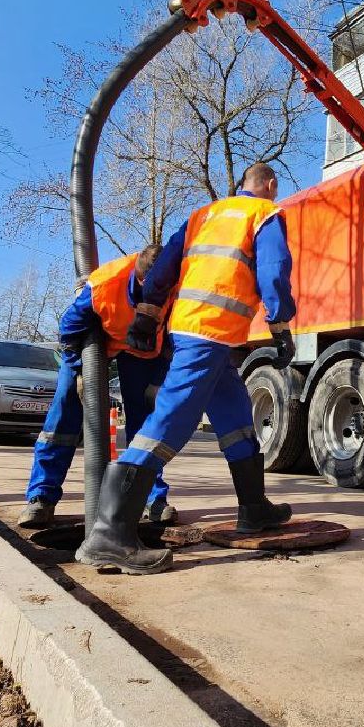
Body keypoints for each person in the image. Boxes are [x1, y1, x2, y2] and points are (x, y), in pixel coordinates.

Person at [75, 161, 298, 574]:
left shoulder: (203, 214)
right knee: (173, 419)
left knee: (235, 416)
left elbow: (164, 266)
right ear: (269, 185)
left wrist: (147, 310)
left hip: (192, 329)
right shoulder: (265, 213)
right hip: (211, 334)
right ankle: (110, 533)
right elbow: (274, 270)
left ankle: (255, 507)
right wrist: (281, 324)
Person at [18, 245, 173, 529]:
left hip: (142, 352)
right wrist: (79, 370)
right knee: (65, 411)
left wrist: (157, 380)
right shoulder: (106, 283)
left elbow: (173, 337)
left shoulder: (174, 286)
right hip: (93, 343)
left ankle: (152, 498)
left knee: (146, 424)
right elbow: (69, 328)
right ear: (140, 279)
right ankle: (41, 497)